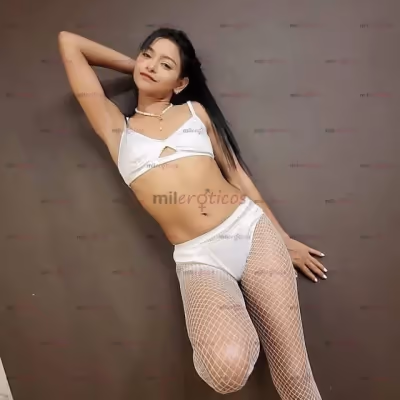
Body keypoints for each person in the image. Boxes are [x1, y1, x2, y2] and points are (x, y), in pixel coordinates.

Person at [58, 27, 327, 399]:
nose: (150, 66)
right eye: (147, 55)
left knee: (294, 370)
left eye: (165, 64)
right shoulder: (116, 129)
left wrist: (283, 237)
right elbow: (69, 42)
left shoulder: (194, 112)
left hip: (250, 231)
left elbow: (237, 175)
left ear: (181, 82)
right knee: (226, 368)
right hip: (199, 257)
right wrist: (138, 66)